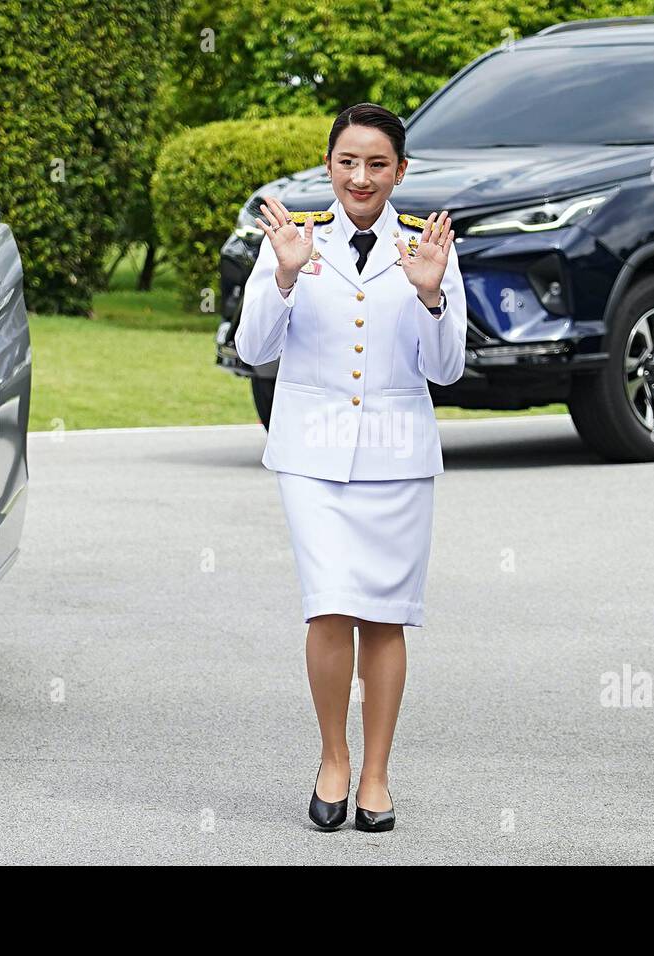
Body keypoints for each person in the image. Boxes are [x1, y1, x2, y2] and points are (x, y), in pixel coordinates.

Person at [235, 103, 467, 832]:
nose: (360, 177)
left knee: (386, 616)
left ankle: (375, 774)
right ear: (328, 166)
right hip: (311, 456)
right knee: (329, 602)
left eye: (377, 164)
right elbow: (253, 350)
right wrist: (284, 279)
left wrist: (431, 293)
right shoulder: (291, 244)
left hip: (398, 456)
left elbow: (449, 368)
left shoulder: (428, 247)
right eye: (347, 162)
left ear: (400, 171)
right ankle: (333, 757)